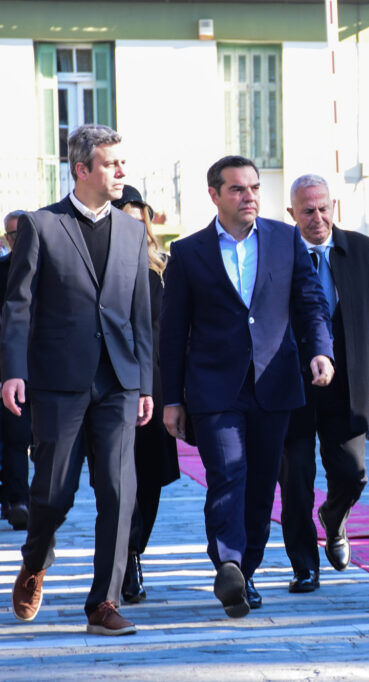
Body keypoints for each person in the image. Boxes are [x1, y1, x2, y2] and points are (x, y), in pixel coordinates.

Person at [160, 155, 334, 618]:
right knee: (226, 475)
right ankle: (229, 563)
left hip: (274, 383)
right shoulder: (189, 252)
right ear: (215, 194)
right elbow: (173, 332)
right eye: (238, 189)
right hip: (214, 389)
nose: (250, 196)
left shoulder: (285, 239)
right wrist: (171, 399)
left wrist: (321, 349)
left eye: (254, 187)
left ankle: (247, 573)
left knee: (260, 484)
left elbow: (310, 301)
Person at [2, 124, 153, 636]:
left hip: (118, 380)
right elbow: (17, 307)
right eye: (112, 164)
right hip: (57, 382)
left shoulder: (133, 232)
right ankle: (35, 560)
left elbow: (140, 316)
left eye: (122, 163)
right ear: (82, 169)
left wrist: (147, 384)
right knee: (53, 494)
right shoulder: (42, 226)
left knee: (118, 490)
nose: (122, 172)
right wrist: (13, 373)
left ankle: (103, 604)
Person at [278, 174, 369, 594]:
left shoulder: (362, 249)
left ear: (334, 206)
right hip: (292, 387)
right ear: (292, 214)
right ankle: (304, 566)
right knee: (295, 480)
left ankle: (335, 517)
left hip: (349, 385)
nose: (318, 217)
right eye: (307, 211)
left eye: (324, 208)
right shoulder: (277, 252)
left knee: (352, 473)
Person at [111, 186, 180, 605]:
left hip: (156, 389)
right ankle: (127, 557)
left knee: (150, 478)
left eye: (142, 222)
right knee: (120, 480)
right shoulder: (101, 267)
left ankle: (136, 549)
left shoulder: (166, 269)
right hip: (111, 386)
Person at [0, 210, 31, 530]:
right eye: (12, 235)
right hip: (11, 370)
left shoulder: (52, 270)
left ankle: (43, 502)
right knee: (14, 438)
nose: (18, 240)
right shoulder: (2, 272)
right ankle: (17, 501)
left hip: (51, 369)